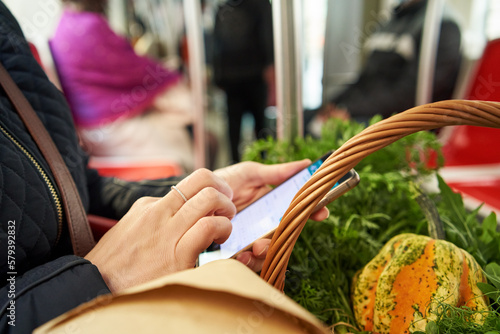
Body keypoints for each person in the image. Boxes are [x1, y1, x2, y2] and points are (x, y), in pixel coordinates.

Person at [0, 3, 329, 332]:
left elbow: (77, 185)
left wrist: (198, 195)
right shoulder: (81, 28)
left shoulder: (7, 22)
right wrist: (96, 281)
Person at [50, 0, 196, 172]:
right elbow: (133, 70)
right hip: (107, 128)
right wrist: (168, 73)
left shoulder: (64, 24)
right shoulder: (89, 25)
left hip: (91, 128)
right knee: (182, 121)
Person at [312, 0, 461, 127]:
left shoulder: (441, 27)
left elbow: (408, 96)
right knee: (308, 117)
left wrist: (349, 110)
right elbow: (365, 78)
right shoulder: (391, 20)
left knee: (324, 132)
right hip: (361, 109)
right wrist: (332, 105)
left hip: (392, 121)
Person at [212, 0, 275, 162]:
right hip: (237, 78)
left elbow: (268, 34)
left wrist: (270, 66)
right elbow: (216, 44)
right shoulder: (223, 9)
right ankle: (251, 164)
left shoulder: (257, 6)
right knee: (241, 129)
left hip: (251, 76)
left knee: (256, 126)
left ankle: (265, 164)